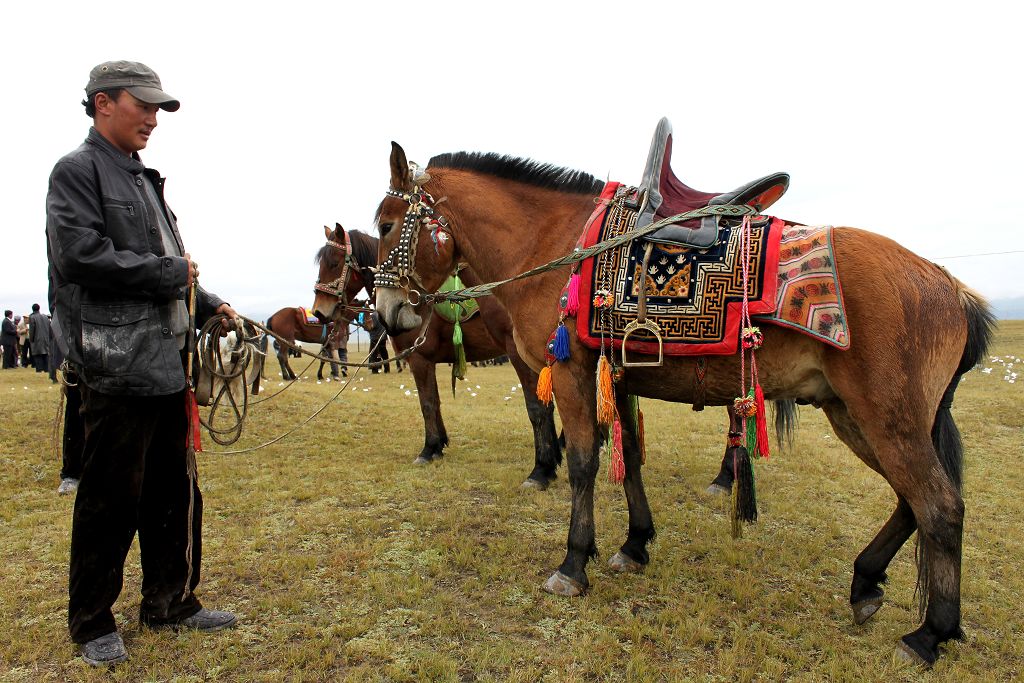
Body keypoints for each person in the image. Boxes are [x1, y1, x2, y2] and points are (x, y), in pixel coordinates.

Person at [46, 60, 238, 667]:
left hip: (164, 362)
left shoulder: (143, 178)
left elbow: (162, 260)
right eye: (144, 105)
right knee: (109, 496)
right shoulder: (76, 171)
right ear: (104, 103)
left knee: (171, 490)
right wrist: (172, 275)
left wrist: (207, 304)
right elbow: (80, 256)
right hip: (115, 365)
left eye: (159, 109)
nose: (154, 119)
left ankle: (169, 602)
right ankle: (91, 621)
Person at [28, 304, 51, 373]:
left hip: (37, 338)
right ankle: (46, 369)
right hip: (46, 338)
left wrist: (31, 339)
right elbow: (49, 327)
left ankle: (39, 369)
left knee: (37, 355)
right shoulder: (45, 316)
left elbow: (32, 330)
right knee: (45, 354)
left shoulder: (32, 317)